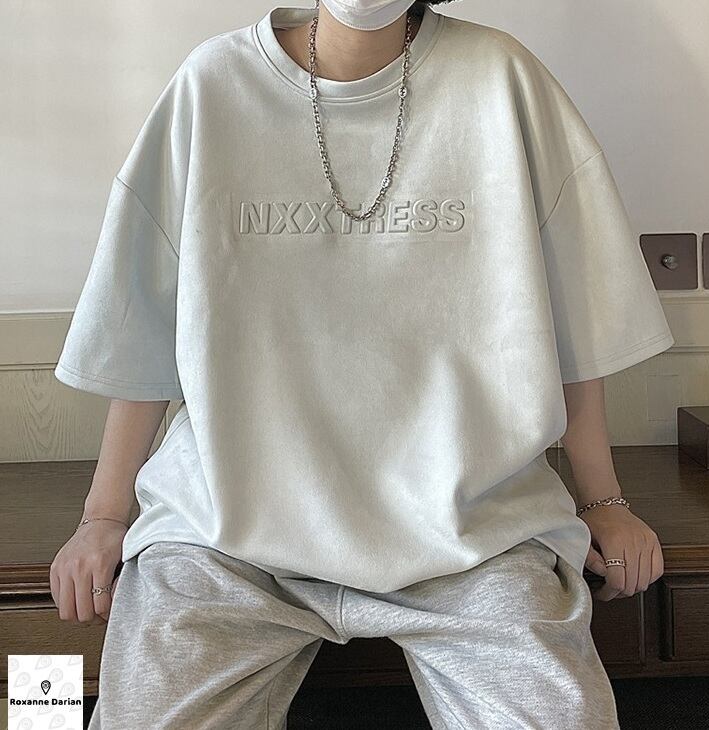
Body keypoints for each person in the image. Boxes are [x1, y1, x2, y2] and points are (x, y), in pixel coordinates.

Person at [51, 1, 674, 727]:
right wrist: (102, 516)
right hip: (227, 534)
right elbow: (143, 318)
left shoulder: (501, 77)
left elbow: (577, 312)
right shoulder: (213, 83)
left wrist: (604, 502)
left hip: (472, 533)